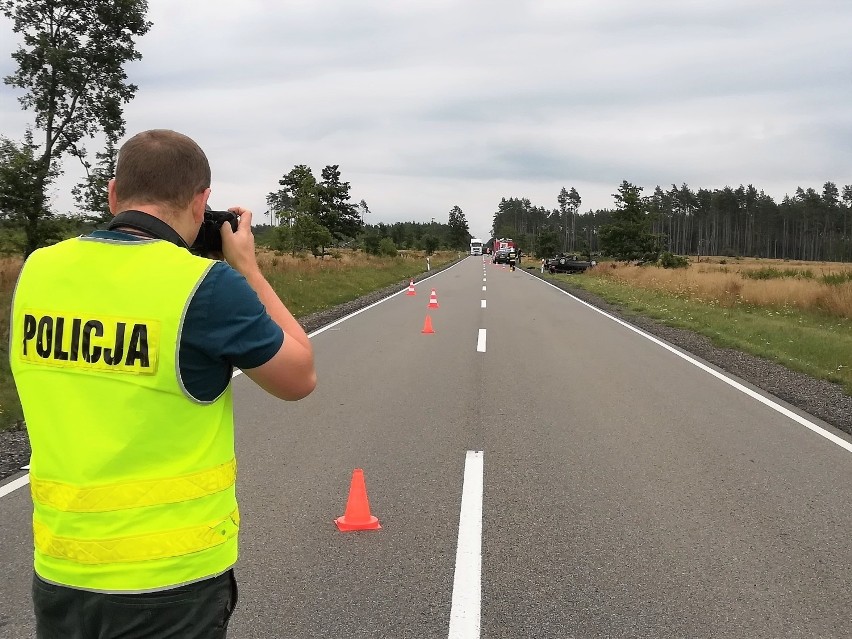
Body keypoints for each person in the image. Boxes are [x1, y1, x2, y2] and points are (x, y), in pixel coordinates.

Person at [10, 129, 317, 638]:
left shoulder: (37, 271)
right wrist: (248, 269)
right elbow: (299, 376)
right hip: (170, 581)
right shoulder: (203, 285)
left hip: (62, 569)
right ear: (202, 203)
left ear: (113, 194)